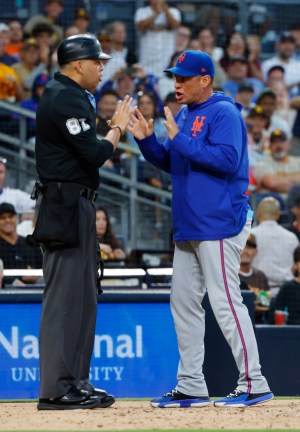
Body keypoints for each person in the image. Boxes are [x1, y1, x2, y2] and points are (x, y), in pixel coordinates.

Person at [128, 49, 273, 408]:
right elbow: (174, 160)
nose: (176, 83)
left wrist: (179, 140)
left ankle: (254, 382)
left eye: (184, 78)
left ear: (205, 79)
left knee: (225, 303)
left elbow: (226, 160)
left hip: (220, 222)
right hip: (190, 224)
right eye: (175, 77)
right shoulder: (186, 113)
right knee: (183, 304)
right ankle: (191, 383)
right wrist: (148, 142)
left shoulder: (224, 112)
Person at [33, 34, 132, 410]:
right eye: (97, 61)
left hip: (77, 204)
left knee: (83, 299)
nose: (102, 67)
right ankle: (57, 388)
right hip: (65, 206)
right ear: (79, 64)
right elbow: (93, 154)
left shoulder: (69, 95)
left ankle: (75, 381)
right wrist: (118, 126)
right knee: (65, 300)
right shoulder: (65, 96)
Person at [251, 197, 299, 291]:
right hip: (286, 290)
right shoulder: (291, 237)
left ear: (258, 214)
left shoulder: (250, 235)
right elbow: (297, 266)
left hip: (258, 290)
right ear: (278, 215)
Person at [0, 203, 42, 286]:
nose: (7, 220)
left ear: (16, 218)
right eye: (3, 218)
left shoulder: (30, 242)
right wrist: (16, 280)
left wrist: (36, 275)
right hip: (4, 294)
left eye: (10, 216)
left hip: (35, 291)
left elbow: (44, 268)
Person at [239, 233, 271, 323]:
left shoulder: (260, 276)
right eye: (242, 246)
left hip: (257, 322)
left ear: (256, 252)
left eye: (249, 247)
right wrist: (251, 306)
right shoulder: (229, 275)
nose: (245, 251)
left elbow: (266, 303)